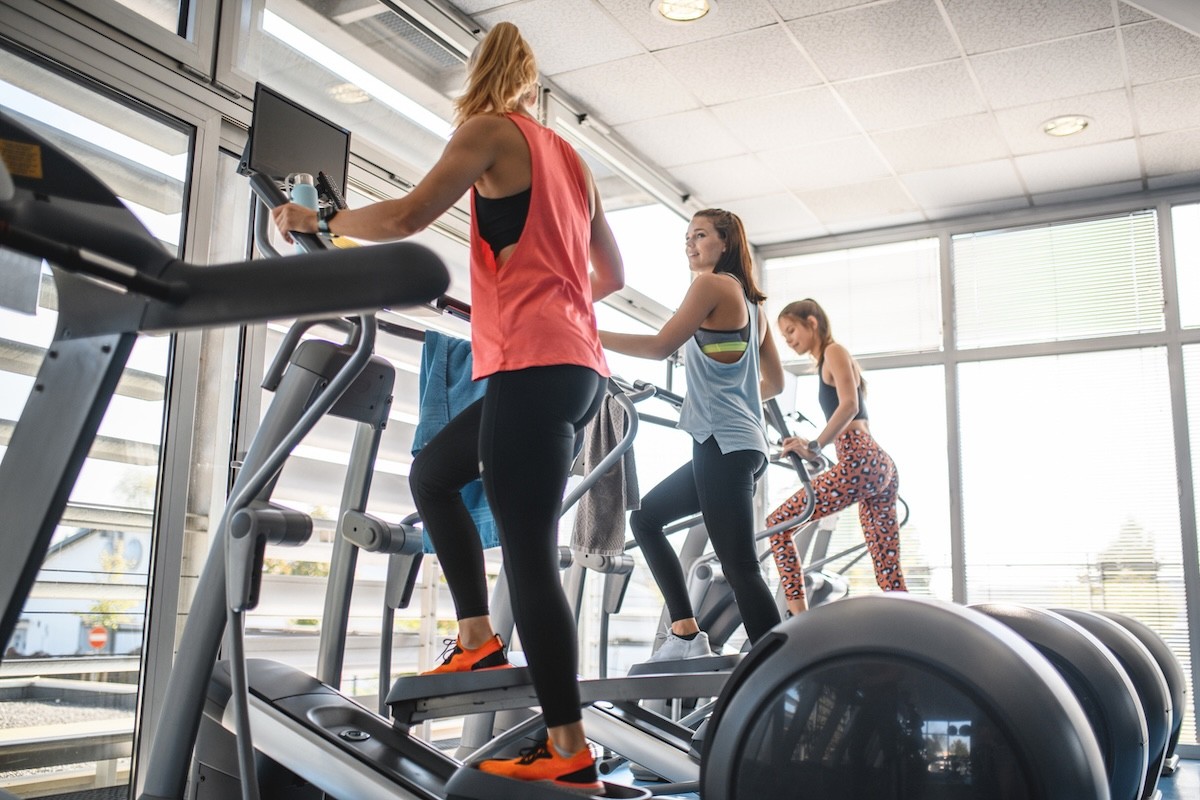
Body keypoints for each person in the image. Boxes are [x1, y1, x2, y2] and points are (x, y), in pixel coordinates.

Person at [272, 22, 624, 794]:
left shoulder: (488, 131)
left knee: (530, 552)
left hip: (535, 366)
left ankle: (568, 752)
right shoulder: (573, 158)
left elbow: (403, 219)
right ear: (532, 82)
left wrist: (317, 221)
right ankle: (475, 637)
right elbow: (611, 272)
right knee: (433, 473)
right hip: (571, 366)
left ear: (482, 73)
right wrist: (542, 301)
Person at [598, 209, 785, 659]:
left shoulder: (710, 285)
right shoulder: (753, 304)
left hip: (723, 441)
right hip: (738, 441)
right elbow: (773, 383)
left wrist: (586, 333)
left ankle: (783, 669)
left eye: (700, 235)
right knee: (646, 519)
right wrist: (726, 396)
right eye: (687, 236)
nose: (690, 243)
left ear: (726, 243)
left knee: (739, 565)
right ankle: (685, 634)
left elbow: (660, 344)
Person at [766, 298, 907, 616]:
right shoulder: (828, 358)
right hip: (874, 463)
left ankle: (798, 619)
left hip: (860, 459)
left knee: (777, 525)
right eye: (784, 336)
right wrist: (812, 446)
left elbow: (849, 406)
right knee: (887, 568)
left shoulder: (833, 351)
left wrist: (813, 445)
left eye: (791, 330)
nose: (789, 340)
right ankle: (915, 629)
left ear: (811, 322)